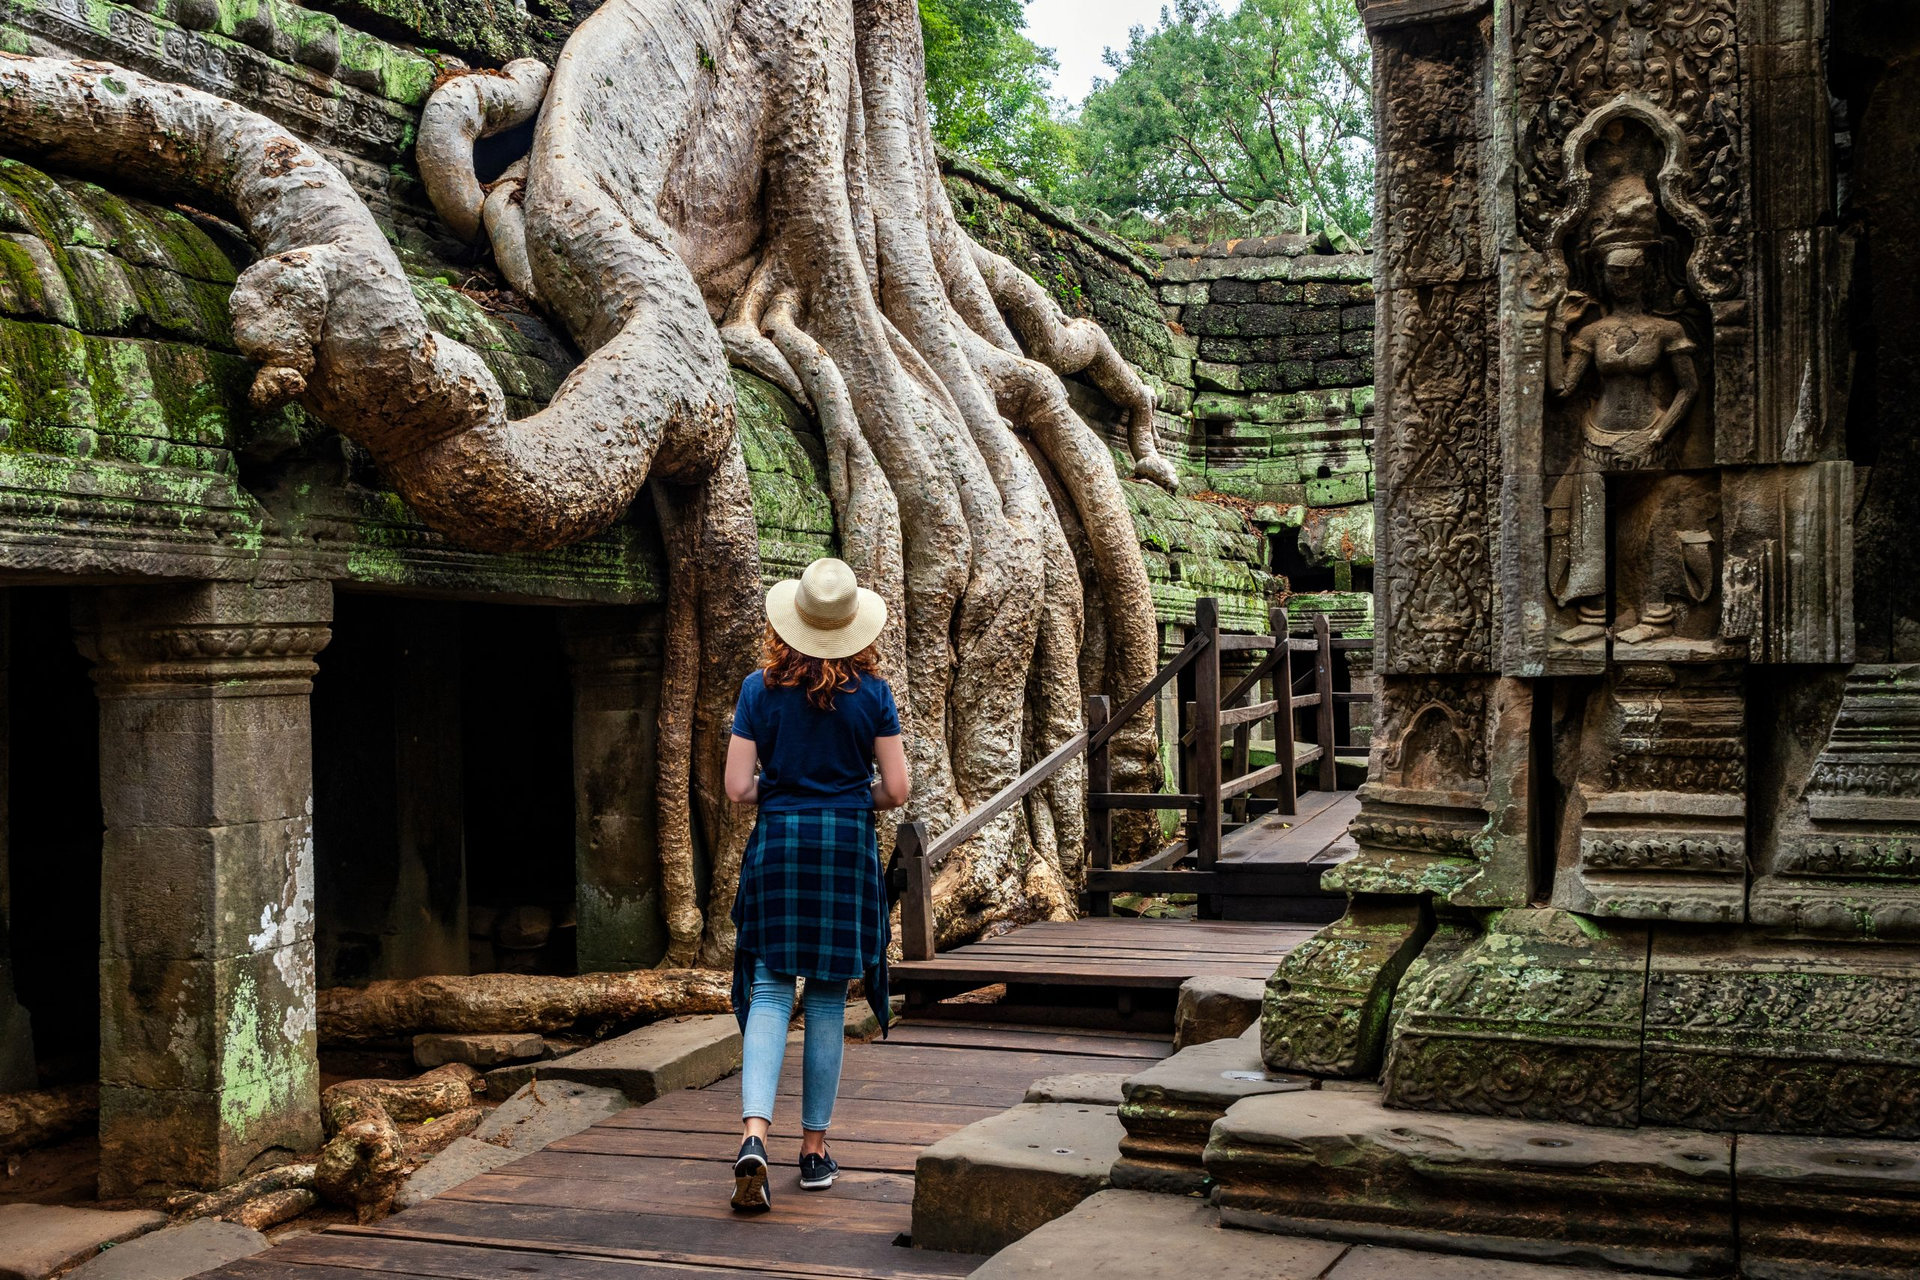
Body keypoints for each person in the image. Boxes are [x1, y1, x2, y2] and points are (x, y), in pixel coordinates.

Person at [723, 556, 910, 1214]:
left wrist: (784, 788)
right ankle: (813, 1151)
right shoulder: (875, 696)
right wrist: (850, 794)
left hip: (779, 843)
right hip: (844, 844)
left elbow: (738, 787)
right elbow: (897, 788)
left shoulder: (756, 690)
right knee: (828, 999)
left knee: (772, 991)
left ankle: (753, 1136)